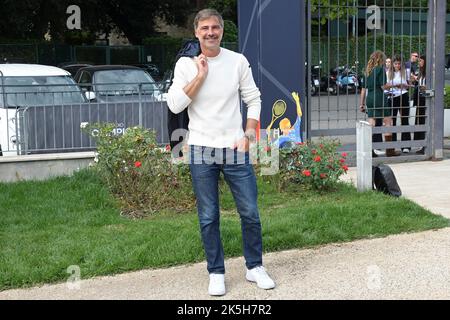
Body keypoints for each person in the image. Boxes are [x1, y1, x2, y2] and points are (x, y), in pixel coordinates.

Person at [166, 8, 275, 296]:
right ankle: (216, 272)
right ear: (196, 32)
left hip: (235, 148)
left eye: (215, 27)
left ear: (222, 31)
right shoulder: (185, 65)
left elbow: (253, 99)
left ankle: (254, 267)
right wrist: (201, 74)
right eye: (205, 28)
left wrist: (249, 135)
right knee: (208, 216)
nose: (211, 32)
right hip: (201, 149)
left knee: (250, 212)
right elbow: (175, 104)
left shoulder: (237, 61)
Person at [359, 51, 397, 157]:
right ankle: (390, 151)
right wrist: (394, 85)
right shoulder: (380, 69)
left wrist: (361, 104)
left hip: (369, 98)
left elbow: (363, 90)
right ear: (380, 59)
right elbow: (383, 86)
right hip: (379, 97)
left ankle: (369, 151)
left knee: (371, 124)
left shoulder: (367, 71)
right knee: (388, 121)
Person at [386, 55, 412, 153]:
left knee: (404, 119)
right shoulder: (388, 73)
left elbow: (410, 85)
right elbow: (385, 86)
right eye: (395, 63)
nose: (397, 65)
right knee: (392, 121)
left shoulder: (406, 72)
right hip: (392, 96)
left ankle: (406, 146)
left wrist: (405, 85)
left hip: (403, 95)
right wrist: (392, 86)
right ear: (392, 64)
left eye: (399, 63)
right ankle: (393, 146)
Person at [413, 55, 427, 154]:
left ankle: (425, 145)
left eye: (421, 61)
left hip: (426, 99)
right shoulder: (421, 72)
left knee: (424, 120)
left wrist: (424, 87)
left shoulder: (428, 72)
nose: (419, 62)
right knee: (420, 120)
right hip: (419, 99)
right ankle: (422, 144)